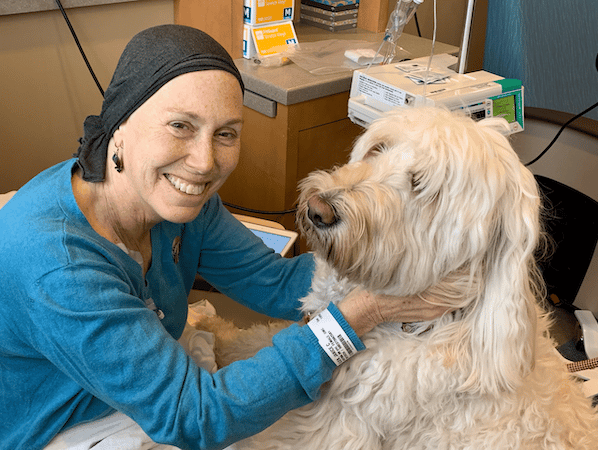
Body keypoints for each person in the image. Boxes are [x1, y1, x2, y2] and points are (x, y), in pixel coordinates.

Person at [0, 25, 448, 450]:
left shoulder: (177, 205)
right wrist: (359, 314)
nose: (203, 162)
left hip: (144, 394)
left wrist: (397, 251)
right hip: (59, 427)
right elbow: (196, 416)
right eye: (180, 126)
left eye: (226, 134)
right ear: (120, 123)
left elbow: (278, 283)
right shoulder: (59, 265)